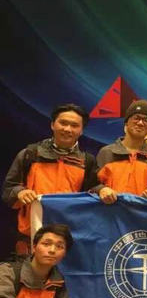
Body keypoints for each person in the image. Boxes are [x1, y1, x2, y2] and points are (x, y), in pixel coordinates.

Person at [2, 104, 99, 254]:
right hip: (30, 237)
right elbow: (8, 190)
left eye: (74, 125)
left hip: (69, 239)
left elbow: (93, 195)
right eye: (63, 123)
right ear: (53, 124)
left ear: (81, 131)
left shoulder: (88, 161)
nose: (67, 129)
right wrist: (20, 192)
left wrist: (102, 189)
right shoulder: (30, 154)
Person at [96, 100, 147, 203]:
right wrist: (101, 189)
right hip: (109, 211)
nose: (140, 123)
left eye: (146, 120)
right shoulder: (106, 153)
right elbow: (91, 185)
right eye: (136, 118)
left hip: (140, 212)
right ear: (126, 122)